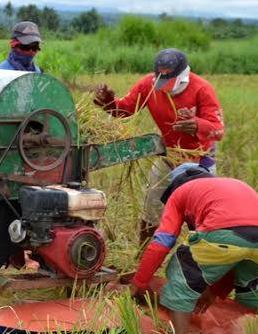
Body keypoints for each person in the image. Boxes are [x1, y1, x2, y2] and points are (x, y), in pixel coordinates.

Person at [129, 164, 258, 334]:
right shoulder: (233, 185)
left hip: (223, 235)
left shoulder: (180, 193)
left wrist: (140, 281)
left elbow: (162, 242)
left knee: (182, 271)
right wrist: (214, 291)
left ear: (175, 185)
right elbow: (236, 254)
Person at [94, 48, 225, 245]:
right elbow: (125, 110)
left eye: (170, 83)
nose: (165, 88)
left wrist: (198, 125)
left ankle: (202, 261)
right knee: (152, 209)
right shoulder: (149, 84)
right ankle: (142, 255)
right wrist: (108, 103)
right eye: (161, 81)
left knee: (201, 217)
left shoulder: (202, 89)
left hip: (199, 160)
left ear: (183, 77)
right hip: (168, 156)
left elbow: (218, 130)